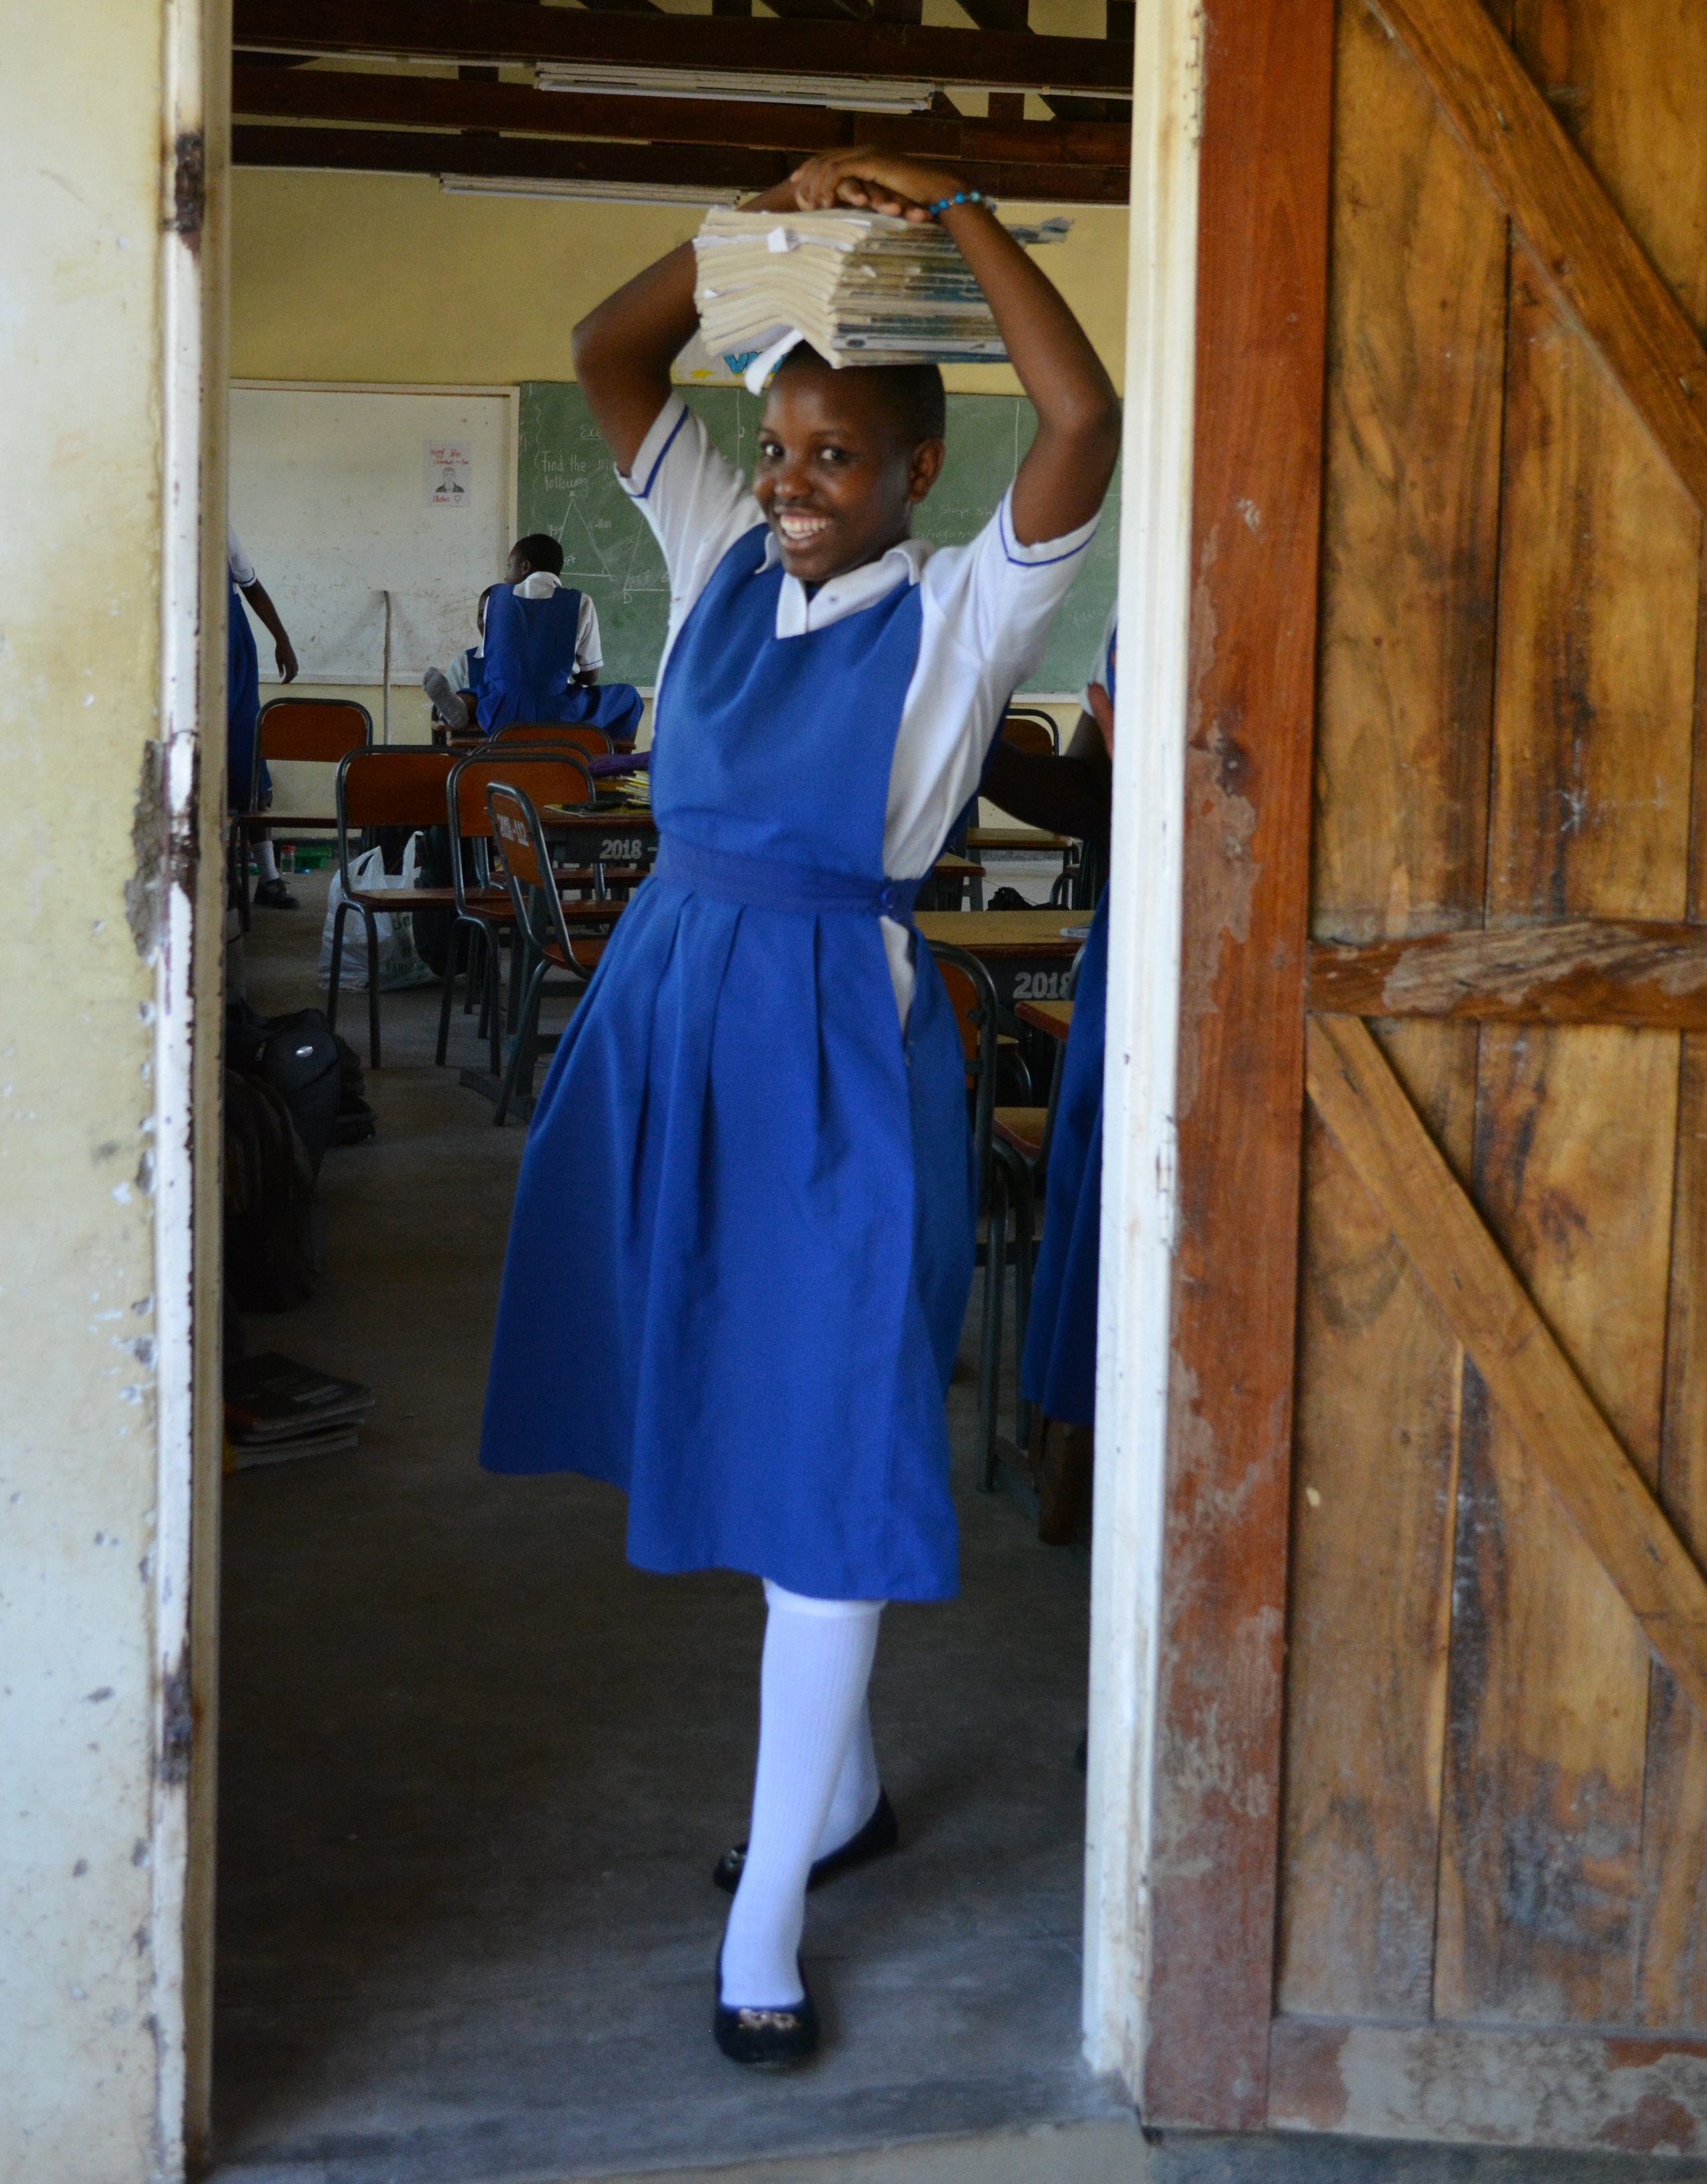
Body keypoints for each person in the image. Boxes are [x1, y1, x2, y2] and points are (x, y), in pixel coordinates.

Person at [478, 150, 1120, 2067]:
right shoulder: (715, 558)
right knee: (737, 1408)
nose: (793, 481)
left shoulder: (967, 613)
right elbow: (606, 353)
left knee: (832, 1442)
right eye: (780, 448)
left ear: (920, 469)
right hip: (671, 1015)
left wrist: (956, 203)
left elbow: (1080, 418)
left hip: (840, 1044)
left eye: (838, 455)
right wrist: (753, 238)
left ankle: (769, 1911)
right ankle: (837, 1800)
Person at [979, 626, 1116, 1543]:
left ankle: (1074, 1452)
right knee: (1098, 1192)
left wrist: (977, 737)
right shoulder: (1141, 613)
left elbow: (1089, 798)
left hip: (1166, 930)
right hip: (1147, 928)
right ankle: (1076, 1451)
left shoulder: (1145, 619)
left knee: (1101, 1194)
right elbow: (1095, 797)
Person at [424, 533, 642, 745]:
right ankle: (609, 762)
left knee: (482, 690)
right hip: (557, 714)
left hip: (499, 712)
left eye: (509, 566)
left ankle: (461, 707)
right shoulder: (581, 602)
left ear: (525, 567)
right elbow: (590, 677)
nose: (505, 577)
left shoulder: (495, 599)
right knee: (628, 696)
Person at [227, 529, 300, 911]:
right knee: (196, 771)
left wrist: (281, 639)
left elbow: (251, 586)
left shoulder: (220, 527)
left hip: (233, 651)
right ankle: (216, 874)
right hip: (190, 652)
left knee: (248, 767)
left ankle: (269, 878)